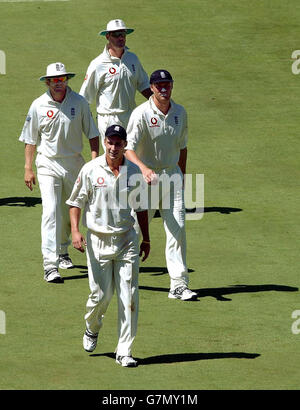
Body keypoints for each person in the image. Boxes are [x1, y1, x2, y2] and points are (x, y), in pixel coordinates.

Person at [66, 124, 150, 367]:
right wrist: (75, 230)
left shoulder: (134, 171)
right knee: (101, 296)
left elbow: (141, 207)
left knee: (129, 296)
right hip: (97, 240)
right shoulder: (91, 169)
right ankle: (92, 328)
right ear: (105, 142)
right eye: (110, 142)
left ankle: (124, 351)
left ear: (125, 145)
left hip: (127, 240)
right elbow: (75, 202)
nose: (114, 147)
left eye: (119, 143)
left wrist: (146, 238)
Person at [19, 62, 100, 284]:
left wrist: (93, 162)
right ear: (47, 82)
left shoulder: (79, 102)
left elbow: (93, 134)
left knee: (70, 210)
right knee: (50, 211)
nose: (58, 84)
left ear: (66, 80)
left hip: (75, 164)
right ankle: (50, 265)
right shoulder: (37, 105)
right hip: (47, 164)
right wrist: (28, 168)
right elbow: (30, 139)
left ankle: (63, 249)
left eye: (62, 79)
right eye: (54, 80)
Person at [125, 69, 198, 301]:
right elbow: (127, 149)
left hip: (171, 177)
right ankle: (125, 277)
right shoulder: (141, 114)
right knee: (135, 230)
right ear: (152, 88)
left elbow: (183, 147)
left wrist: (182, 177)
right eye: (159, 85)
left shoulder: (180, 112)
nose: (164, 88)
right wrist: (144, 169)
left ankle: (178, 284)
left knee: (177, 229)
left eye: (167, 84)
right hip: (145, 178)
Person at [79, 18, 152, 151]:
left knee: (132, 157)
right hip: (108, 118)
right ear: (107, 36)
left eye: (123, 34)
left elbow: (144, 85)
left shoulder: (132, 59)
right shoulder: (98, 64)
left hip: (130, 116)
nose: (120, 38)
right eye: (116, 35)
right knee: (114, 157)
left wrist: (160, 105)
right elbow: (85, 97)